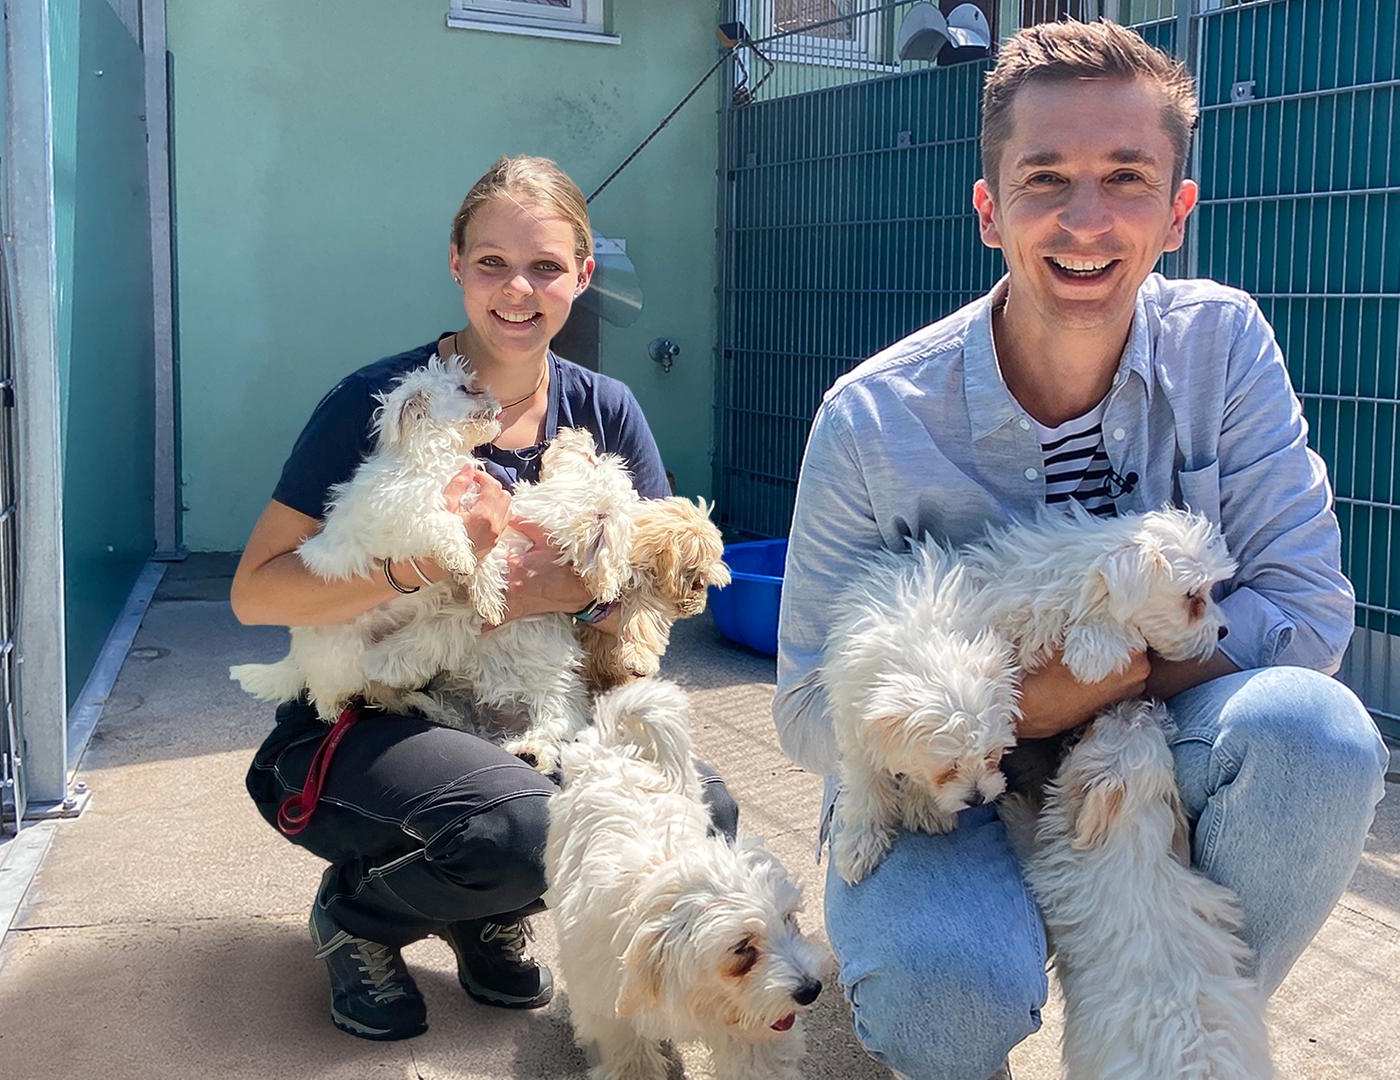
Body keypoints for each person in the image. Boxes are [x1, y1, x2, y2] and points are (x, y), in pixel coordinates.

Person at [773, 21, 1390, 1080]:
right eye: (1046, 178)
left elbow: (1314, 617)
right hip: (948, 768)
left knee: (1318, 739)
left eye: (1127, 177)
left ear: (1177, 214)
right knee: (944, 994)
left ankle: (1166, 1039)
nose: (1087, 219)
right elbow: (802, 709)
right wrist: (1009, 708)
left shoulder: (1226, 348)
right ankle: (944, 984)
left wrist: (1119, 672)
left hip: (1157, 733)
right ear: (989, 209)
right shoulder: (871, 421)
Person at [232, 155, 740, 1042]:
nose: (519, 290)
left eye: (546, 266)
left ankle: (479, 905)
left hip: (529, 697)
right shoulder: (385, 404)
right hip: (370, 710)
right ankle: (362, 916)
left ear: (583, 277)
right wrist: (419, 570)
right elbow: (253, 593)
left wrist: (576, 595)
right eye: (493, 263)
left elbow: (652, 600)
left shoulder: (606, 410)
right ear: (456, 265)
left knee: (703, 806)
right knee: (522, 827)